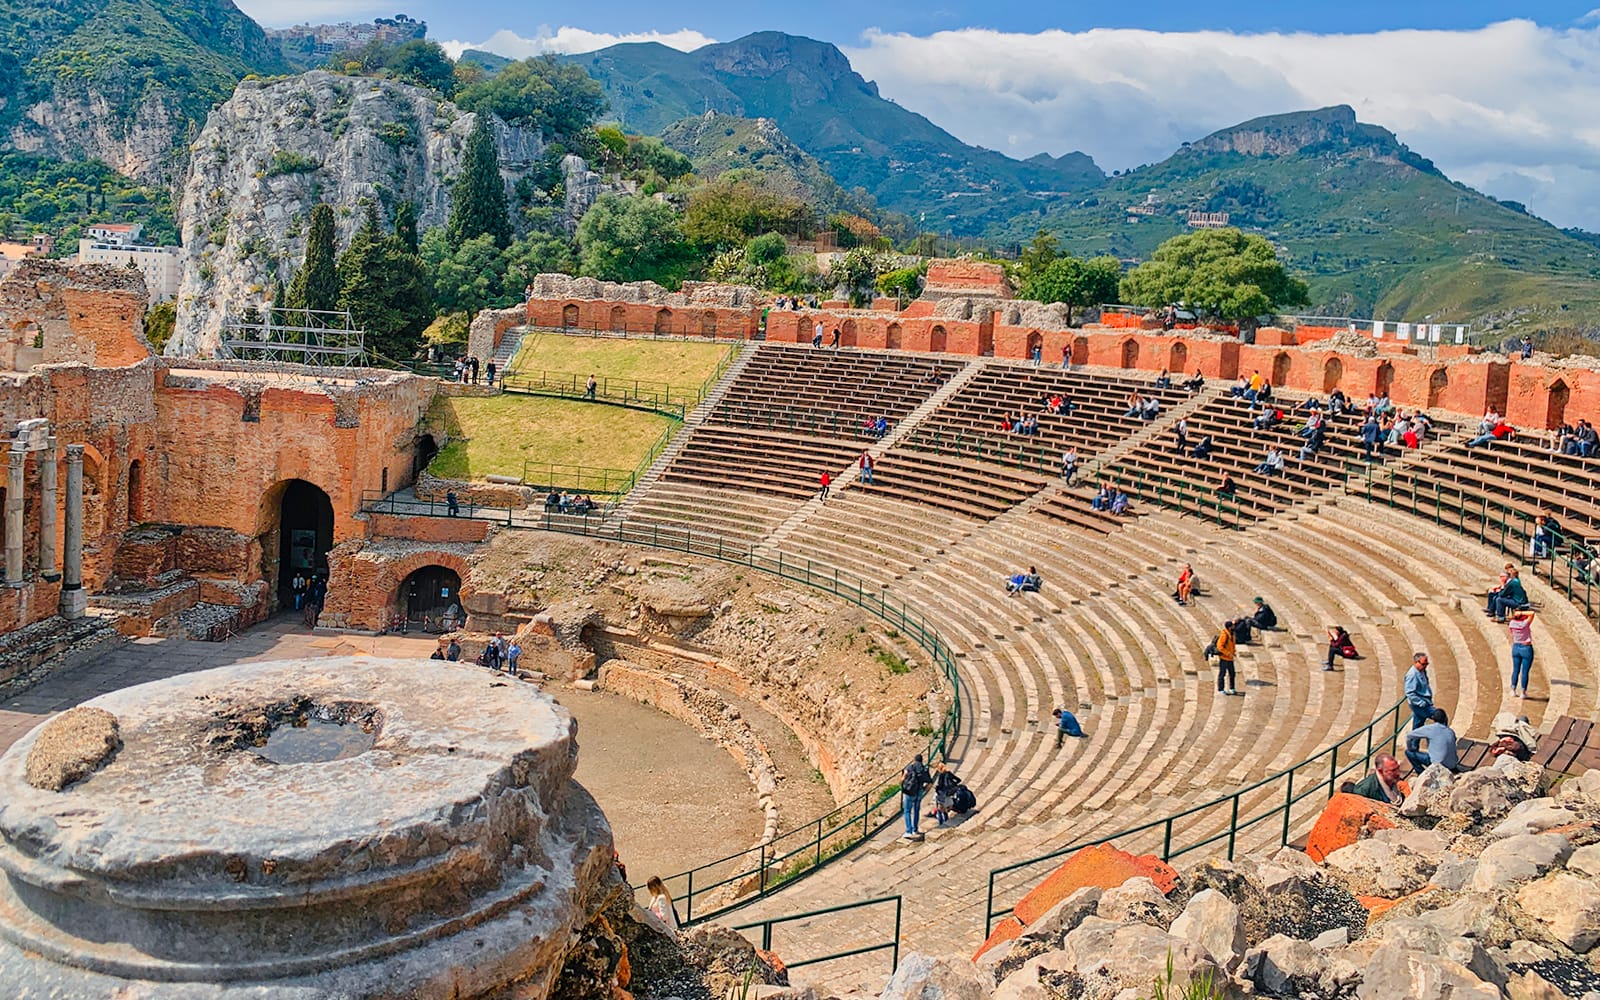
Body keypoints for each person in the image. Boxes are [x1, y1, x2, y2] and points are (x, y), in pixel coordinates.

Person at [1406, 707, 1464, 774]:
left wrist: (1410, 748)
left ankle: (1421, 773)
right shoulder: (1451, 731)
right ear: (1445, 718)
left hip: (1437, 765)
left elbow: (1409, 736)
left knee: (1408, 753)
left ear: (1433, 719)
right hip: (1452, 764)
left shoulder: (1430, 728)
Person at [900, 753, 932, 840]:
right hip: (919, 792)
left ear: (914, 759)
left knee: (907, 811)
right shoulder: (924, 769)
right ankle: (915, 829)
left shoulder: (910, 767)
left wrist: (903, 784)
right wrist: (924, 789)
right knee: (916, 811)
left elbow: (903, 778)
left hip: (910, 792)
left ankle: (908, 831)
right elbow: (930, 783)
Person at [1507, 608, 1535, 699]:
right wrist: (1522, 612)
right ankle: (1523, 692)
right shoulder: (1525, 624)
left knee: (1516, 670)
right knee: (1525, 671)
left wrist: (1517, 614)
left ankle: (1513, 689)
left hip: (1516, 647)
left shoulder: (1512, 623)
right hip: (1526, 647)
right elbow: (1532, 613)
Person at [1405, 652, 1434, 730]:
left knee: (1418, 724)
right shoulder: (1412, 675)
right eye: (1423, 664)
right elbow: (1409, 693)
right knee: (1440, 716)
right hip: (1419, 704)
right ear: (1416, 662)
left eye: (1426, 664)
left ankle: (1414, 737)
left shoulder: (1422, 671)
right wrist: (1421, 703)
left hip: (1425, 701)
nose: (1425, 666)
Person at [1213, 619, 1237, 696]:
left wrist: (1233, 652)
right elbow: (1220, 647)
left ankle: (1232, 688)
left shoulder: (1232, 634)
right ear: (1229, 627)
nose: (1234, 627)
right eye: (1232, 626)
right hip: (1224, 658)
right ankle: (1221, 689)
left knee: (1232, 673)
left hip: (1230, 658)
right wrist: (1228, 653)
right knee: (1222, 674)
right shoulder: (1224, 635)